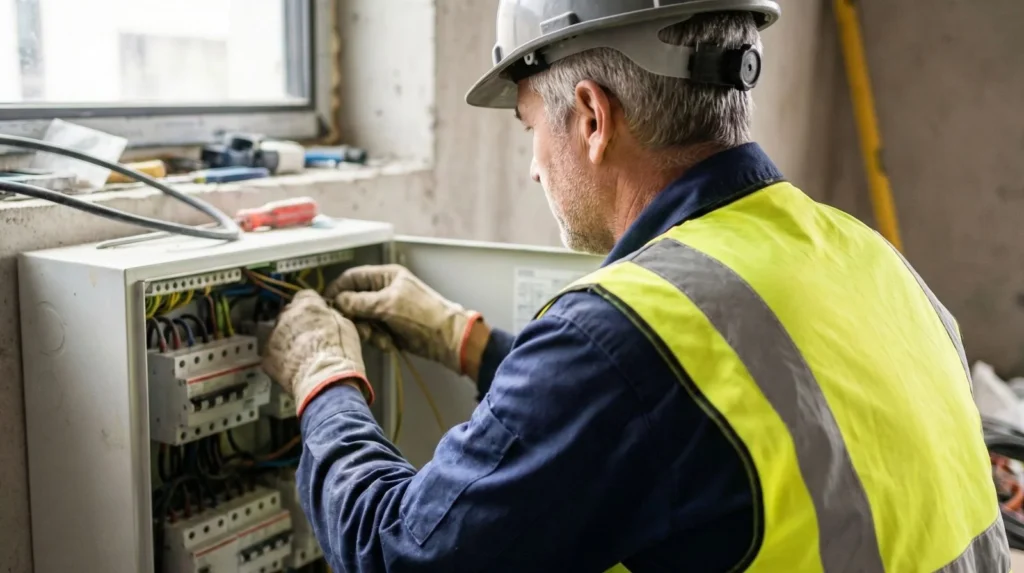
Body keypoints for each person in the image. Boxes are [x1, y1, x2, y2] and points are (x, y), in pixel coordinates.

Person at [263, 0, 1011, 571]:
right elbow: (699, 418)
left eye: (530, 129)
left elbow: (397, 550)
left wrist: (323, 380)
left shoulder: (620, 334)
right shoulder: (868, 255)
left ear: (591, 117)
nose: (532, 167)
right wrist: (470, 341)